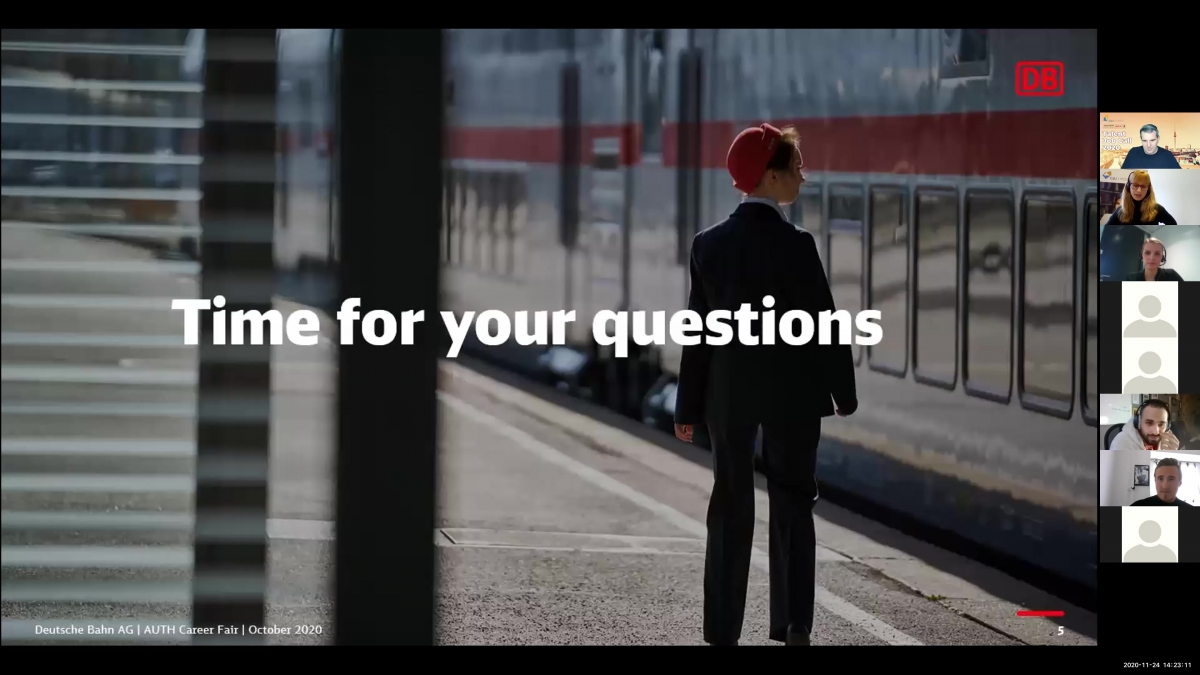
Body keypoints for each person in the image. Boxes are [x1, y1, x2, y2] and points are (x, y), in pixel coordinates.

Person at [673, 123, 858, 646]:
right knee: (794, 502)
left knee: (730, 504)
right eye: (795, 167)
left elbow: (698, 334)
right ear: (770, 176)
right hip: (793, 395)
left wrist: (687, 407)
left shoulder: (709, 245)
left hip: (728, 395)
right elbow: (825, 324)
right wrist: (843, 394)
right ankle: (794, 624)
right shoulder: (797, 244)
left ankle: (722, 630)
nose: (803, 176)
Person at [1108, 170, 1177, 225]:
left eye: (1143, 186)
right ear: (1128, 187)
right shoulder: (1120, 210)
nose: (1139, 190)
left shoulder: (1157, 209)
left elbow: (1173, 224)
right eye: (1135, 185)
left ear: (1148, 189)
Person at [1109, 399, 1180, 451]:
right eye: (1149, 423)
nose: (1155, 432)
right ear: (1138, 422)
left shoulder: (1167, 442)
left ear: (1167, 426)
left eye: (1161, 424)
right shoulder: (1122, 443)